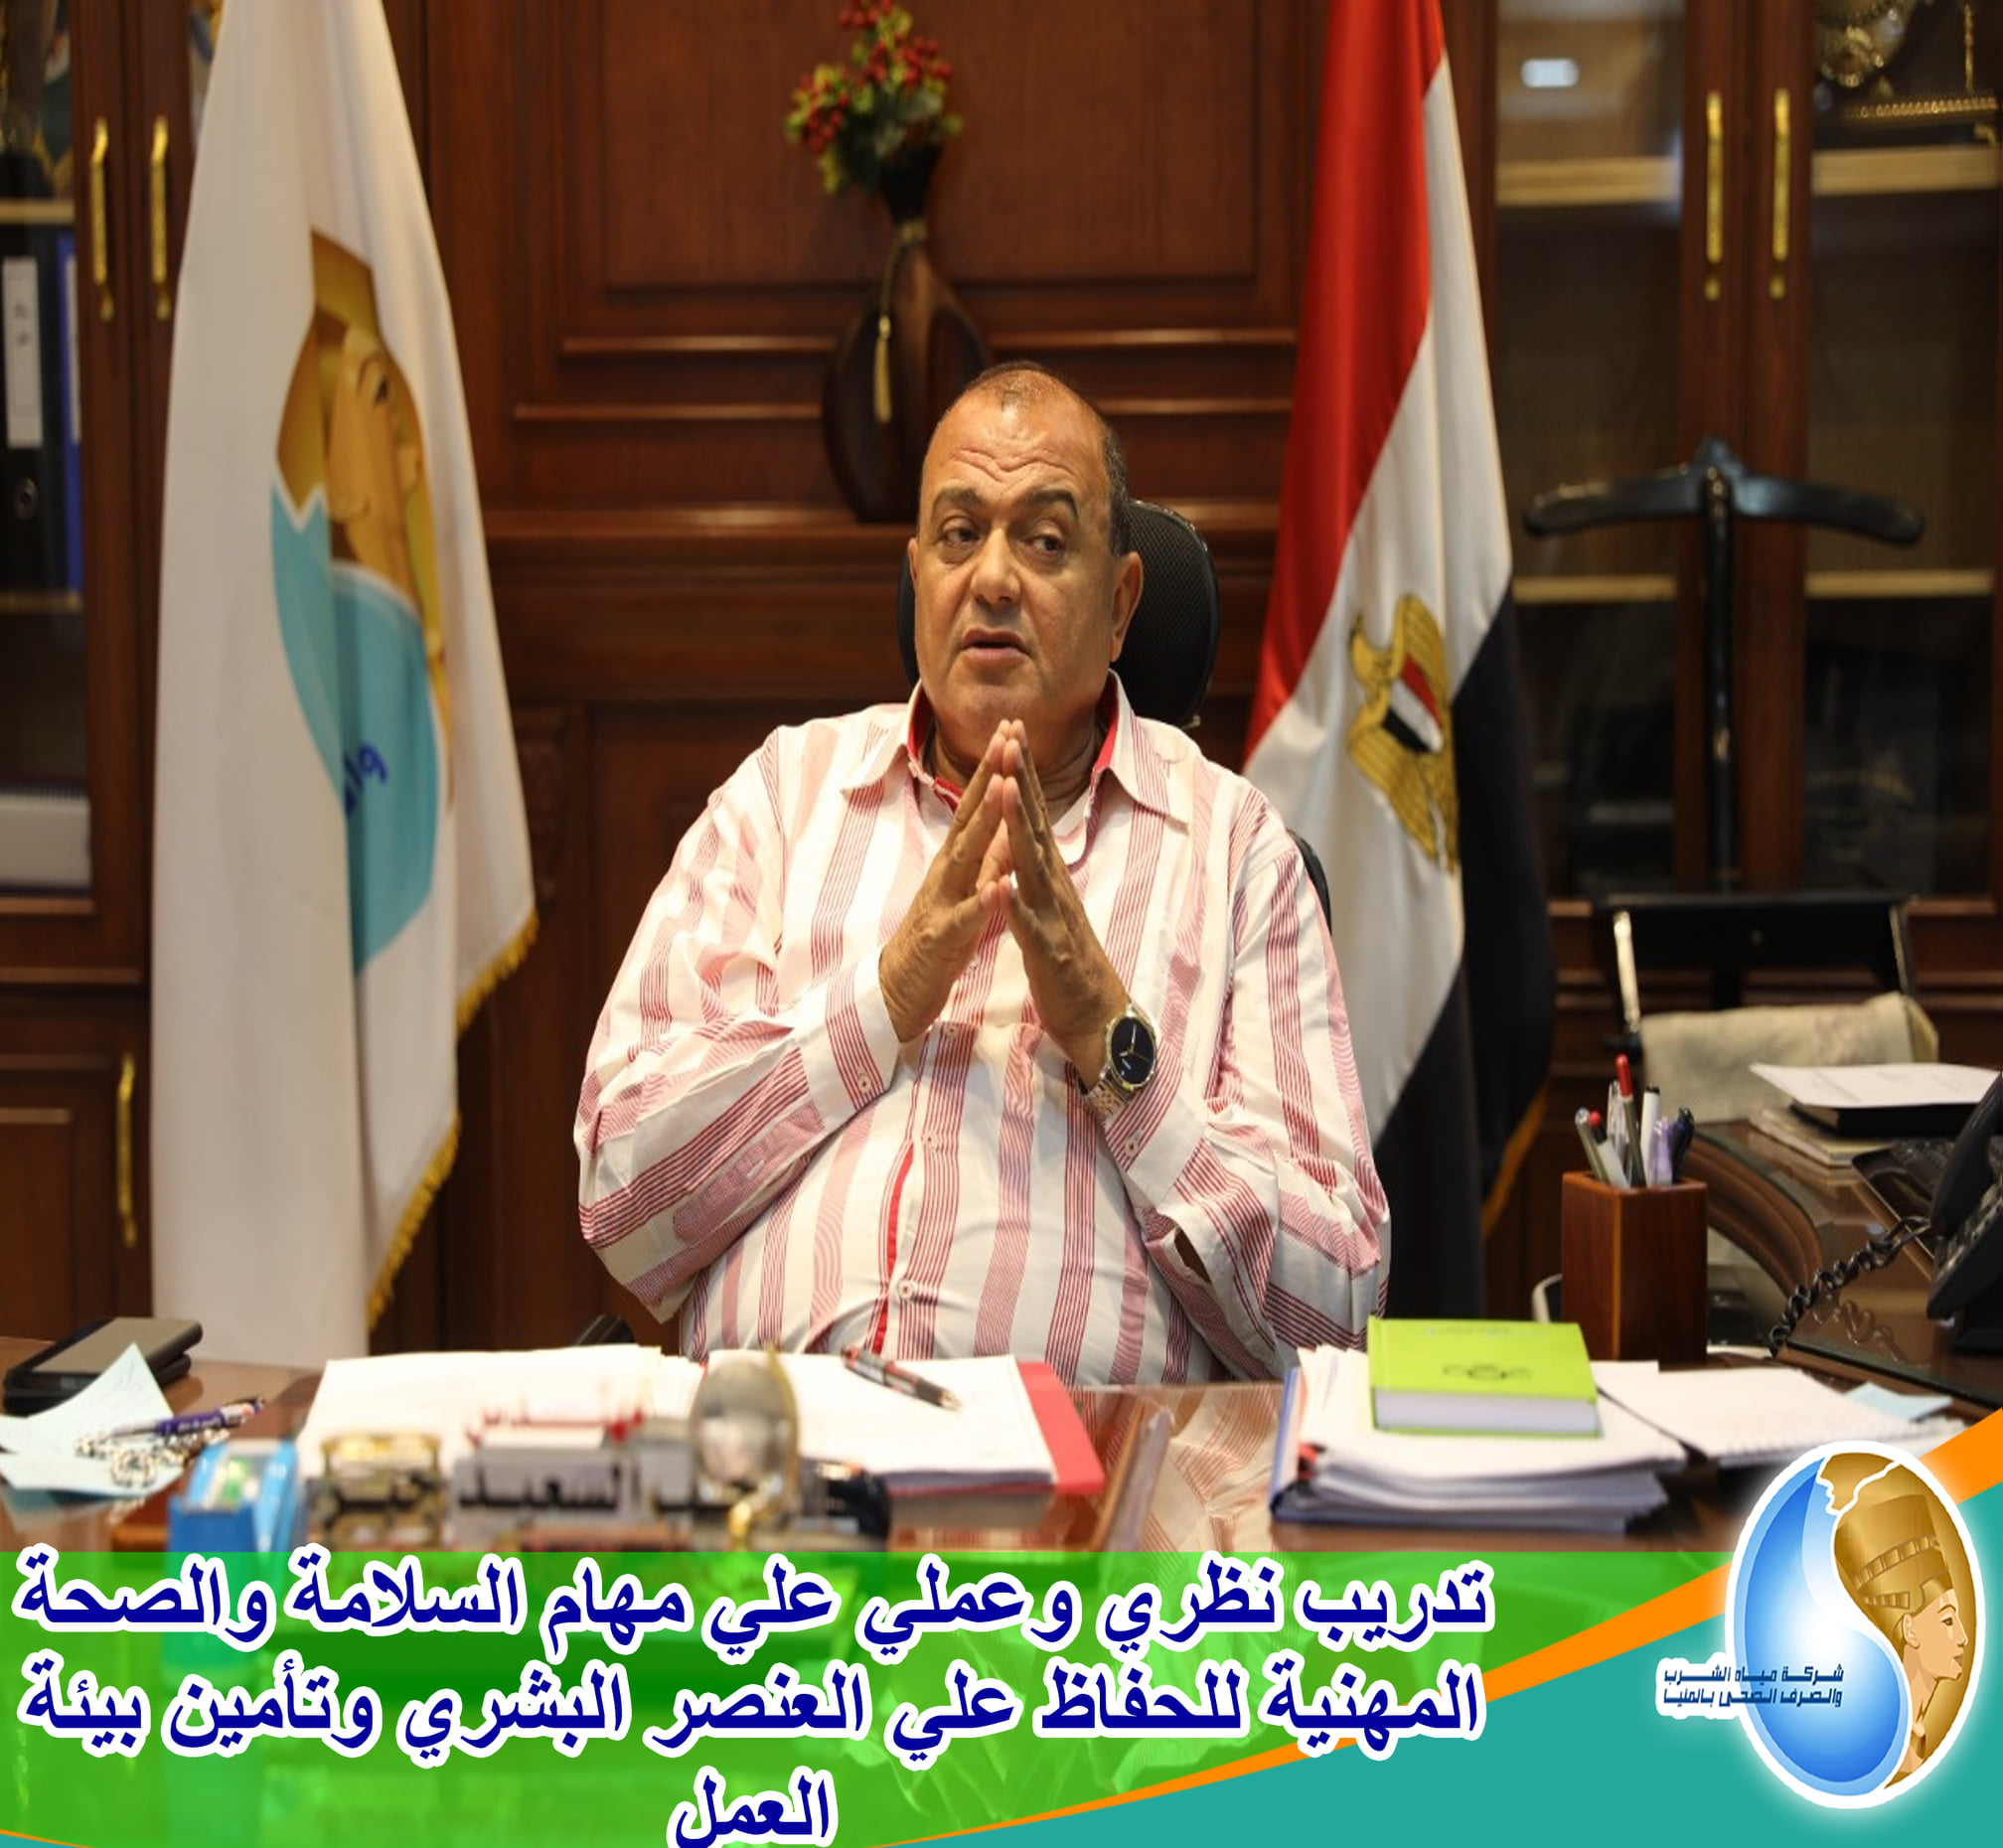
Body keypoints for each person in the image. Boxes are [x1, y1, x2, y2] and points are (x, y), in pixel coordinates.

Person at [575, 362, 1388, 1383]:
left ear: (1122, 603)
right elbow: (621, 1196)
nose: (993, 577)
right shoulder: (783, 795)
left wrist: (1111, 1041)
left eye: (1044, 541)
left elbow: (1336, 1310)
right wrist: (882, 1003)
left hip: (1093, 1471)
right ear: (919, 578)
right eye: (960, 534)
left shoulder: (1235, 850)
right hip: (779, 1455)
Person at [1828, 1463, 1971, 1783]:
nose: (1963, 1637)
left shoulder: (1916, 1733)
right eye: (1948, 1620)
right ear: (1910, 1630)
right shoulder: (1876, 1737)